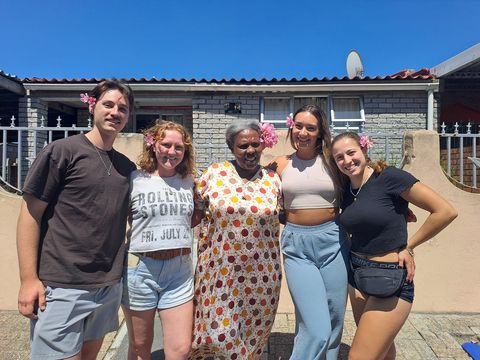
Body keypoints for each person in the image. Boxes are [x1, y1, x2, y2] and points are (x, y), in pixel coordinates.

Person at [16, 80, 136, 359]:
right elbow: (30, 214)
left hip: (107, 287)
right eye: (108, 104)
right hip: (61, 287)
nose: (115, 112)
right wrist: (28, 279)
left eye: (123, 108)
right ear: (93, 106)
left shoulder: (125, 167)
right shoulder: (62, 151)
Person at [331, 131, 457, 360]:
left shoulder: (390, 177)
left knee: (359, 357)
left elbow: (445, 211)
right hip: (356, 276)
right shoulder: (346, 189)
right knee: (383, 352)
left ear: (364, 149)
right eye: (339, 157)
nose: (347, 161)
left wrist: (409, 246)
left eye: (351, 152)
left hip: (390, 279)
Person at [190, 120, 282, 360]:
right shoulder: (214, 173)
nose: (250, 151)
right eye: (243, 146)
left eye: (255, 144)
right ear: (231, 147)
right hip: (219, 272)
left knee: (253, 330)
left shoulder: (273, 180)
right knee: (220, 332)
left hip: (261, 273)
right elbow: (194, 212)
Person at [269, 105, 349, 360]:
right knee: (316, 327)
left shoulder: (332, 161)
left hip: (333, 240)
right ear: (291, 126)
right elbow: (256, 193)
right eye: (298, 126)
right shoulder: (280, 165)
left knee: (334, 317)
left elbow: (363, 182)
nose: (303, 132)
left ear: (319, 132)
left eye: (310, 128)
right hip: (296, 245)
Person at [122, 120, 196, 360]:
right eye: (166, 145)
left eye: (179, 148)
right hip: (140, 270)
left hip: (179, 272)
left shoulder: (190, 181)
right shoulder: (134, 180)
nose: (172, 152)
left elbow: (195, 217)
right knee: (141, 347)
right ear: (153, 145)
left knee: (181, 349)